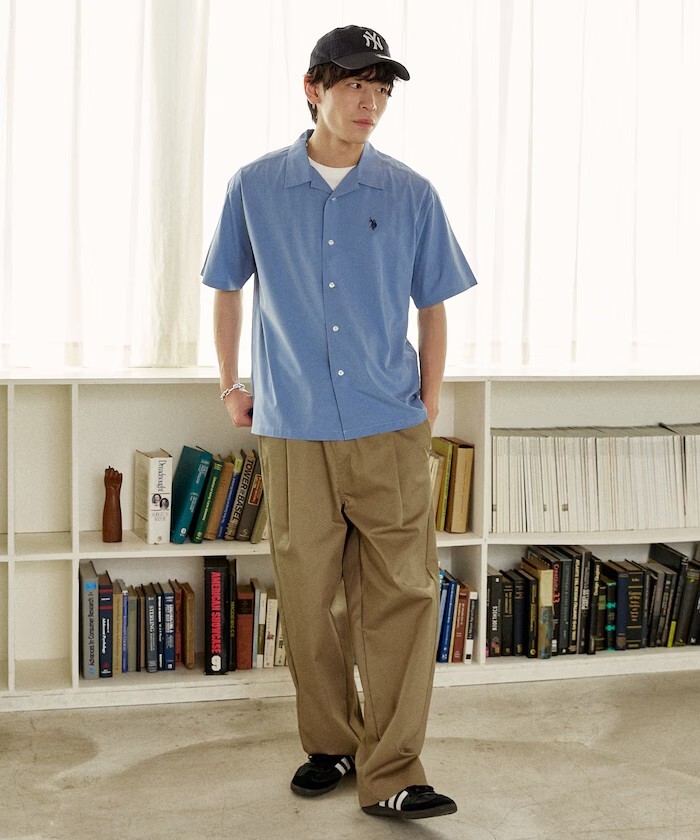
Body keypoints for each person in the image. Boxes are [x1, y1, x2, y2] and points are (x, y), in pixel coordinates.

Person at [202, 24, 476, 820]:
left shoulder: (411, 192)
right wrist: (230, 385)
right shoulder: (254, 186)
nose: (371, 101)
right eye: (356, 84)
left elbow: (434, 306)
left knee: (403, 595)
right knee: (308, 596)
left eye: (381, 89)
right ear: (313, 88)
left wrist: (428, 401)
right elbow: (225, 287)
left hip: (388, 427)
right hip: (293, 428)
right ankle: (330, 744)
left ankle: (394, 771)